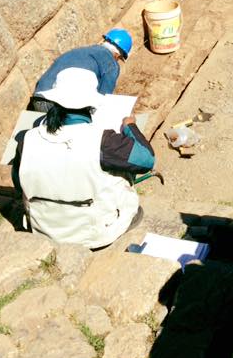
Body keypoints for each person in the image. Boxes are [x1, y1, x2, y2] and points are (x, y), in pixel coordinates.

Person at [14, 67, 154, 249]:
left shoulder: (27, 139)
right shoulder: (104, 141)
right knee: (126, 190)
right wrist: (130, 127)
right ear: (90, 104)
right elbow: (147, 160)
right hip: (94, 233)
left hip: (44, 228)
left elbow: (18, 183)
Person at [30, 29, 133, 113]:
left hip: (39, 99)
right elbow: (104, 99)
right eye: (119, 59)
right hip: (59, 107)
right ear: (117, 55)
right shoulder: (112, 64)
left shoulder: (79, 51)